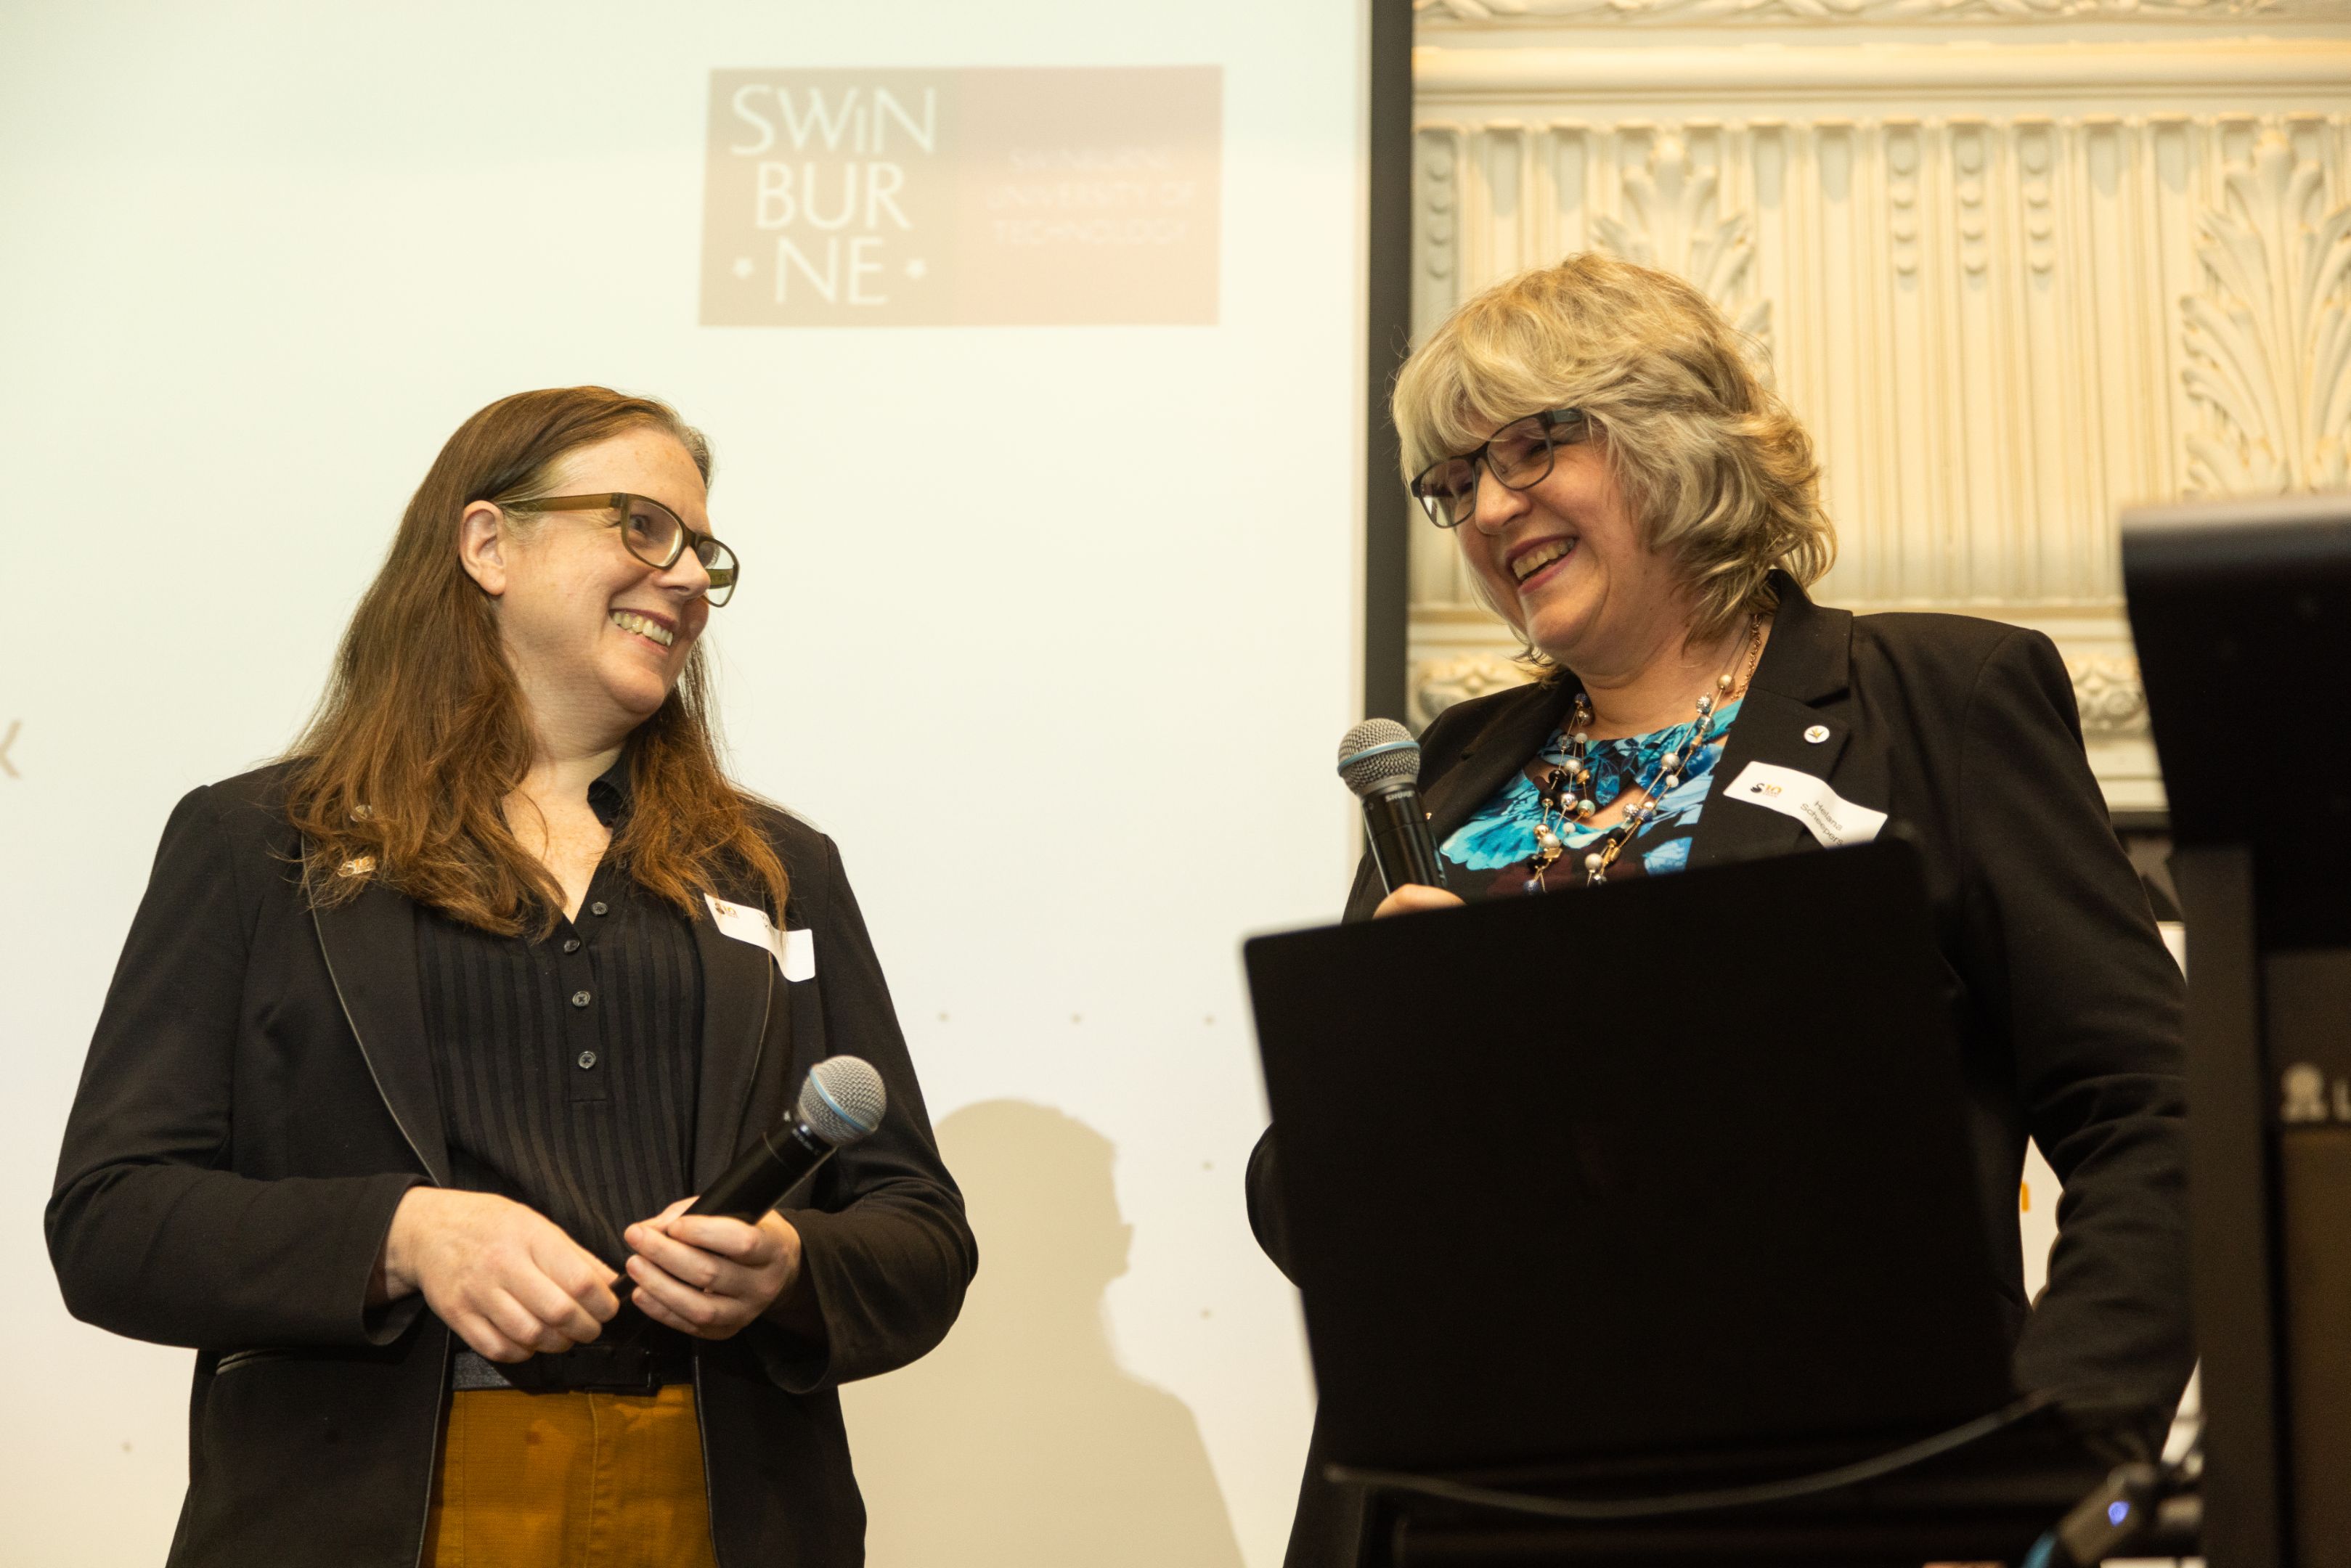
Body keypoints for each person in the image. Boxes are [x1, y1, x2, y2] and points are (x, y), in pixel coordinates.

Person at [1244, 254, 2193, 1564]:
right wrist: (1375, 1080)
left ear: (1670, 435)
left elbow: (2155, 1110)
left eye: (1526, 450)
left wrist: (2049, 1457)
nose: (1483, 509)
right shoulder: (1455, 774)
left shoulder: (1932, 701)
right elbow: (1310, 1218)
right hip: (1459, 1519)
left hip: (1831, 1500)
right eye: (1452, 484)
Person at [48, 387, 977, 1568]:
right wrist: (403, 1233)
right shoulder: (262, 845)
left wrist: (794, 1269)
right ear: (488, 544)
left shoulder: (777, 869)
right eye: (641, 527)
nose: (686, 577)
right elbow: (112, 1220)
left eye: (702, 550)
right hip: (374, 1511)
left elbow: (920, 1234)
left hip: (719, 1496)